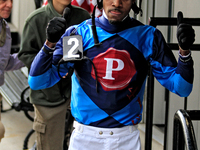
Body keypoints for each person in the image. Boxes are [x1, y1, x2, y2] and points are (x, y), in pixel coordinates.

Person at [27, 0, 195, 149]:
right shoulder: (78, 33)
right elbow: (37, 82)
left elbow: (182, 88)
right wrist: (49, 44)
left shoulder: (148, 36)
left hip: (126, 139)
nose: (117, 3)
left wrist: (184, 52)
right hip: (84, 138)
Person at [17, 0, 90, 149]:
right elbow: (25, 54)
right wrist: (51, 61)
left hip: (77, 96)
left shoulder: (83, 17)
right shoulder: (35, 19)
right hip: (48, 98)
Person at [0, 0, 25, 142]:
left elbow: (4, 62)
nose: (9, 5)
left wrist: (30, 56)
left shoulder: (4, 27)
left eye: (11, 0)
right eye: (3, 1)